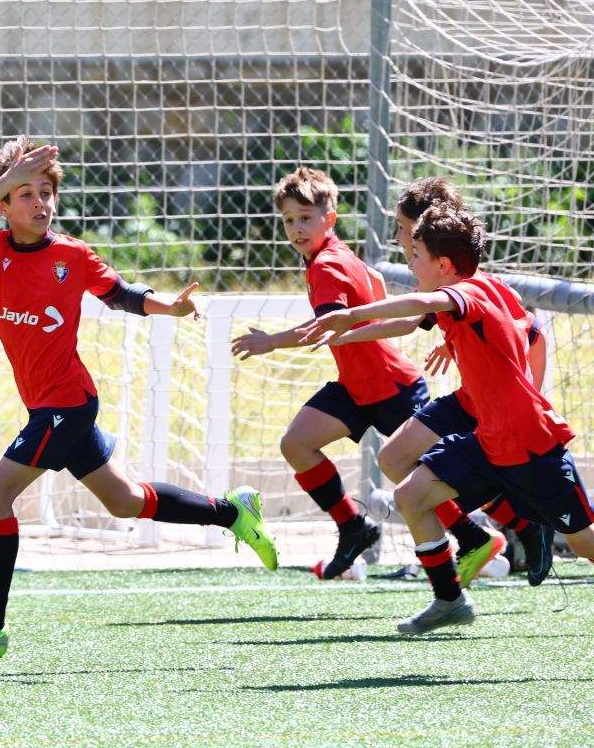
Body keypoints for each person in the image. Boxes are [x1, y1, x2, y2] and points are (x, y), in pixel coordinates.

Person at [0, 137, 278, 657]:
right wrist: (6, 178)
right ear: (2, 205)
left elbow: (121, 294)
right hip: (48, 405)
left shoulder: (71, 254)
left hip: (66, 405)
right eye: (24, 194)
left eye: (45, 191)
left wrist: (170, 308)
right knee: (125, 501)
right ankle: (232, 513)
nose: (39, 202)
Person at [301, 202, 594, 634]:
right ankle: (449, 599)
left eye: (415, 252)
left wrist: (353, 313)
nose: (408, 258)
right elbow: (524, 331)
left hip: (530, 447)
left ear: (443, 264)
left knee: (586, 543)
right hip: (488, 440)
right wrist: (348, 330)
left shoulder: (465, 293)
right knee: (410, 496)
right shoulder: (486, 288)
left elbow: (425, 301)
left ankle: (527, 532)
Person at [327, 177, 554, 586]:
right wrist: (343, 333)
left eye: (402, 228)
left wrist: (531, 395)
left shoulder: (470, 284)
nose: (397, 237)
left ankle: (502, 537)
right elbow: (414, 320)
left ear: (428, 231)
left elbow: (532, 332)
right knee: (394, 459)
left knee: (456, 476)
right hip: (468, 399)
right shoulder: (435, 275)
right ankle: (477, 541)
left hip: (496, 408)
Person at [232, 167, 426, 579]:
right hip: (358, 388)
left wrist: (271, 341)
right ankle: (354, 527)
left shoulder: (325, 266)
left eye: (306, 217)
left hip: (390, 386)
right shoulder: (334, 255)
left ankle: (497, 531)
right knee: (298, 444)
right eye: (288, 220)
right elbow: (372, 288)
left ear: (329, 219)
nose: (297, 228)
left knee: (436, 470)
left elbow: (325, 327)